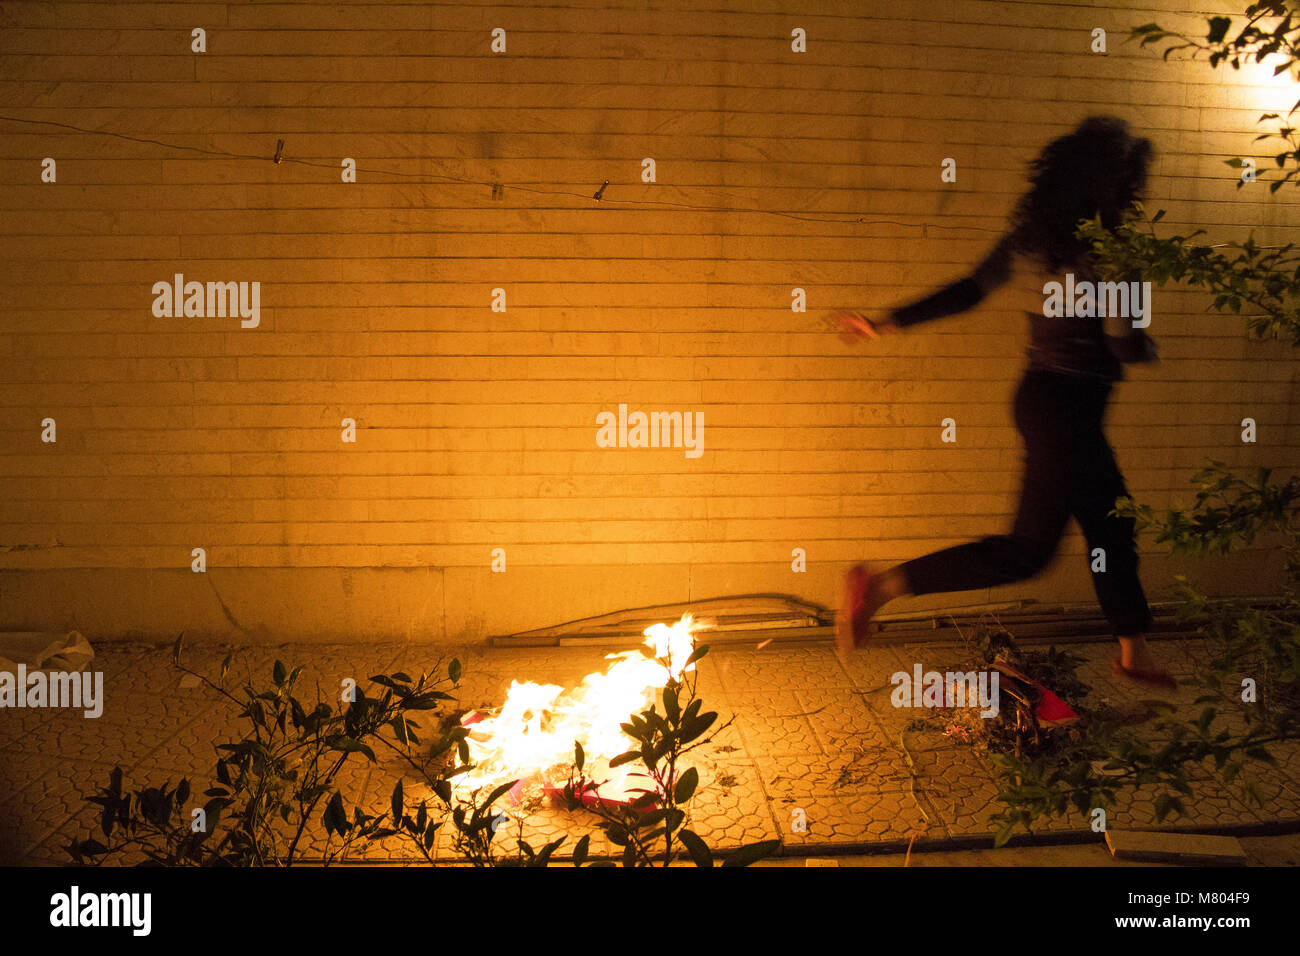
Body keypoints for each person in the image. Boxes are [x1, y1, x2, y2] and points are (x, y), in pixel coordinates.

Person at [831, 115, 1175, 689]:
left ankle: (1133, 648)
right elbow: (1121, 340)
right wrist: (1143, 342)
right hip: (1068, 409)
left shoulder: (1032, 242)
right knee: (1028, 551)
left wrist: (886, 322)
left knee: (1112, 523)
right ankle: (882, 587)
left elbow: (970, 289)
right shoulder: (1115, 254)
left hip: (1044, 399)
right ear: (1119, 187)